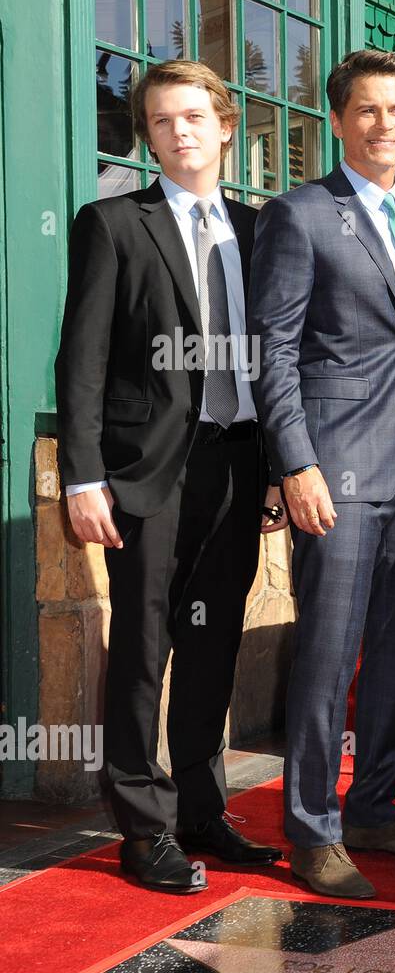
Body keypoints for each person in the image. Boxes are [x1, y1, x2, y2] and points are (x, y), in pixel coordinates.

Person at [55, 60, 285, 893]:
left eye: (193, 116)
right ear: (148, 135)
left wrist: (274, 474)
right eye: (160, 121)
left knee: (212, 642)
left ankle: (200, 808)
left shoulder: (263, 232)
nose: (178, 131)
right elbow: (79, 363)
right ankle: (142, 827)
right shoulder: (113, 223)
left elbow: (278, 359)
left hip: (236, 464)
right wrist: (83, 478)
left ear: (227, 126)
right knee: (145, 648)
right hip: (145, 473)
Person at [250, 49, 395, 899]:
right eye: (368, 110)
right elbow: (273, 350)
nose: (387, 124)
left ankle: (375, 807)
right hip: (334, 473)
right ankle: (311, 828)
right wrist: (294, 462)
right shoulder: (301, 215)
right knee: (328, 659)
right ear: (339, 121)